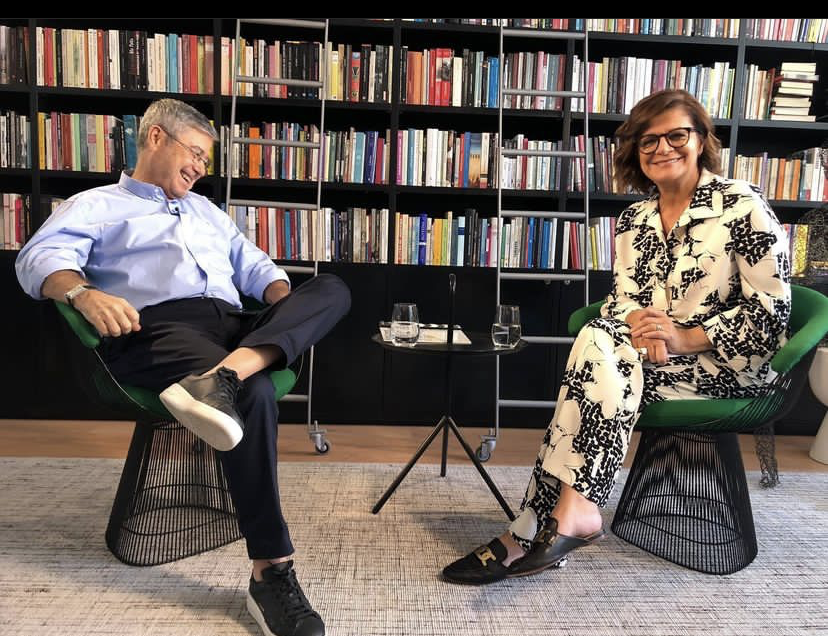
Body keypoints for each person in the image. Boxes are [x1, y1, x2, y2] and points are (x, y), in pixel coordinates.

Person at [16, 98, 350, 636]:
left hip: (235, 327)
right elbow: (37, 259)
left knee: (331, 289)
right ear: (155, 138)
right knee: (256, 394)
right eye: (194, 153)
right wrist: (82, 293)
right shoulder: (95, 205)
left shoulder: (207, 212)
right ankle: (271, 571)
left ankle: (224, 376)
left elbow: (256, 267)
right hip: (159, 328)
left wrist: (288, 309)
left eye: (205, 160)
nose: (199, 167)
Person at [442, 89, 791, 584]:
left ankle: (531, 531)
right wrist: (645, 329)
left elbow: (772, 313)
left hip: (723, 368)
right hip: (642, 360)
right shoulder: (634, 221)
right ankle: (567, 516)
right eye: (648, 140)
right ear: (635, 151)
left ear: (702, 140)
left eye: (677, 135)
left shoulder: (741, 205)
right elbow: (623, 300)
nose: (662, 148)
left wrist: (684, 337)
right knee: (599, 350)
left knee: (591, 362)